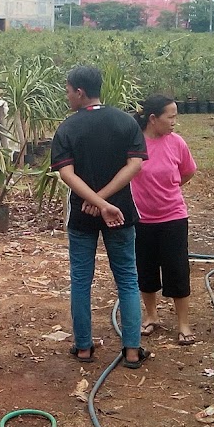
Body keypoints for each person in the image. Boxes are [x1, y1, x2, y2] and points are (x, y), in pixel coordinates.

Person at [50, 65, 149, 369]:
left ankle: (83, 348)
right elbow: (135, 165)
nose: (67, 96)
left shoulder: (68, 128)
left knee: (81, 280)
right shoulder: (125, 122)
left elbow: (67, 174)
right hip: (120, 213)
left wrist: (94, 201)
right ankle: (132, 350)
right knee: (128, 280)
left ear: (80, 92)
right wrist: (106, 201)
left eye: (68, 91)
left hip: (83, 215)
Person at [130, 94, 198, 346]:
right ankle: (151, 316)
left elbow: (188, 172)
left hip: (173, 217)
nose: (173, 122)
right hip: (141, 219)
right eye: (170, 117)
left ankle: (183, 324)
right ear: (152, 118)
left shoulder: (177, 143)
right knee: (145, 269)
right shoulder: (135, 144)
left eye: (175, 117)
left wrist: (170, 188)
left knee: (177, 270)